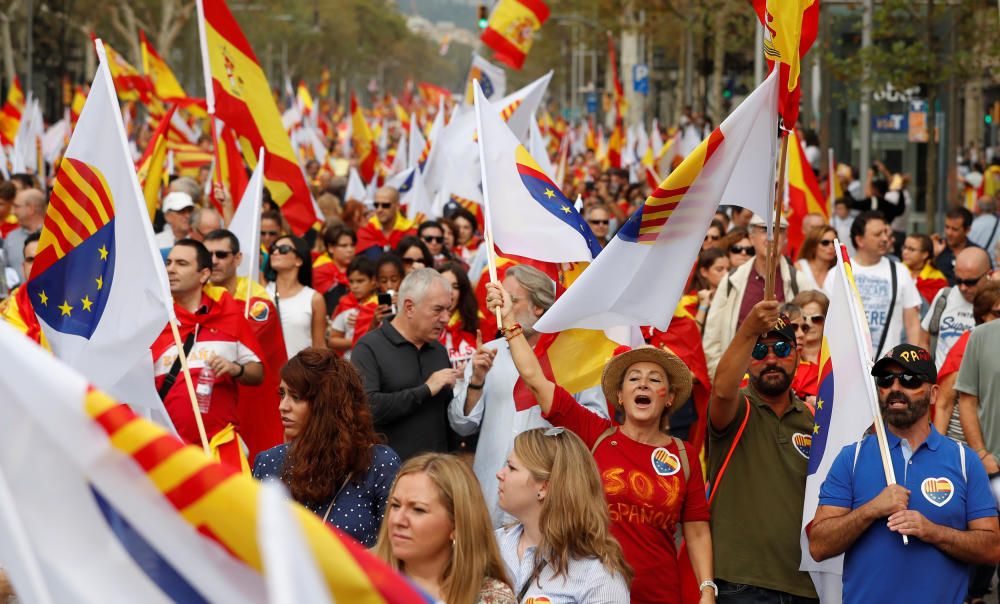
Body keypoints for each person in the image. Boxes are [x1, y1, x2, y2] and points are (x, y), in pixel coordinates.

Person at [486, 281, 715, 603]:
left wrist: (707, 589)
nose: (643, 384)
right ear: (619, 396)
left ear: (669, 398)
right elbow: (537, 381)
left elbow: (696, 530)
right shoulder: (594, 433)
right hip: (587, 590)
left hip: (661, 594)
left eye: (654, 379)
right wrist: (511, 323)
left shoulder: (684, 455)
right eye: (634, 378)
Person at [808, 344, 1000, 603]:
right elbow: (818, 546)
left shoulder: (965, 461)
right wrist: (871, 509)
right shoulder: (851, 458)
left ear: (933, 394)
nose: (895, 388)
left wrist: (932, 531)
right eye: (886, 380)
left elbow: (992, 549)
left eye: (909, 379)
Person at [448, 265, 609, 525]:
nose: (501, 306)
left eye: (511, 299)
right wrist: (476, 381)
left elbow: (595, 425)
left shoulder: (578, 359)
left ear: (540, 308)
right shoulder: (488, 352)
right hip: (488, 497)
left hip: (546, 501)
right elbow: (461, 426)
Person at [707, 301, 818, 602]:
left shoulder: (813, 419)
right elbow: (721, 390)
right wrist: (748, 331)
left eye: (781, 349)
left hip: (806, 586)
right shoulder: (736, 407)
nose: (771, 358)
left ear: (797, 354)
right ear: (747, 360)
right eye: (758, 351)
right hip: (740, 583)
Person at [252, 348, 400, 547]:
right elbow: (255, 542)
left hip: (356, 578)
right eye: (282, 394)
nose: (283, 406)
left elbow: (393, 548)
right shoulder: (269, 462)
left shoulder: (378, 463)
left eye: (296, 397)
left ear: (327, 404)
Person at [152, 239, 264, 464]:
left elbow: (258, 372)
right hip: (166, 449)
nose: (171, 269)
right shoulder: (153, 321)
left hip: (219, 447)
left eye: (181, 263)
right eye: (169, 262)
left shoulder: (228, 314)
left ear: (203, 275)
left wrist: (236, 369)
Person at [495, 428, 632, 602]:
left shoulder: (598, 575)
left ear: (544, 487)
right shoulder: (491, 545)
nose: (500, 474)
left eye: (512, 468)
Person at [374, 453, 515, 603]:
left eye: (418, 510)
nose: (397, 520)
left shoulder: (492, 598)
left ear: (456, 524)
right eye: (395, 505)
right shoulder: (362, 582)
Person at [351, 268, 459, 461]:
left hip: (438, 473)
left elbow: (447, 415)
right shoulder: (369, 348)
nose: (445, 318)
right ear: (409, 307)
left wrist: (476, 383)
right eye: (437, 309)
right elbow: (367, 409)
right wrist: (425, 390)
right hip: (391, 477)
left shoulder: (438, 350)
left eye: (448, 309)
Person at [203, 228, 288, 459]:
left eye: (221, 255)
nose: (213, 261)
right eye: (208, 255)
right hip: (211, 407)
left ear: (237, 258)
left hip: (252, 407)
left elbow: (235, 346)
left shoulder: (257, 302)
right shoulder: (199, 296)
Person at [702, 214, 811, 378]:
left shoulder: (799, 281)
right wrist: (722, 379)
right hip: (738, 382)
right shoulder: (732, 280)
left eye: (778, 231)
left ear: (785, 239)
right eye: (764, 229)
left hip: (784, 380)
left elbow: (811, 335)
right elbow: (712, 337)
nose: (771, 236)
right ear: (751, 237)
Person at [850, 211, 921, 359]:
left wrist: (913, 364)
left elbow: (913, 323)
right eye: (877, 234)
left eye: (885, 233)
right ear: (859, 240)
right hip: (849, 365)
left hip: (889, 369)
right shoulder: (840, 272)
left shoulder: (900, 271)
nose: (884, 239)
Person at [920, 247, 991, 368]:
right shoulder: (944, 297)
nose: (963, 287)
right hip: (939, 383)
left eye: (970, 282)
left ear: (988, 275)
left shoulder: (995, 305)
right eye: (958, 280)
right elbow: (923, 340)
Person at [267, 235, 326, 358]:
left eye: (283, 249)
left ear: (299, 260)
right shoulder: (260, 293)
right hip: (267, 375)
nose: (275, 252)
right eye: (273, 248)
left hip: (299, 375)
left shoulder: (314, 298)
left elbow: (319, 347)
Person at [328, 256, 378, 359]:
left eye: (360, 281)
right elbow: (332, 340)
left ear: (373, 281)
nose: (354, 286)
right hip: (348, 362)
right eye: (351, 281)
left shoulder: (380, 306)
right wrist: (357, 341)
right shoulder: (345, 304)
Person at [788, 290, 829, 402]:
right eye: (804, 319)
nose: (809, 324)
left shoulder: (836, 357)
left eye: (816, 319)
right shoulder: (783, 357)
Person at [438, 261, 480, 368]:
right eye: (444, 285)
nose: (449, 291)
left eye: (455, 286)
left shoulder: (479, 323)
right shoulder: (424, 327)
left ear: (463, 292)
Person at [356, 186, 417, 256]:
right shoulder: (366, 230)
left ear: (397, 206)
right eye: (376, 205)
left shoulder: (410, 231)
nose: (379, 210)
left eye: (385, 205)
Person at [3, 188, 45, 283]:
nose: (13, 212)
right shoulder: (11, 237)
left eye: (17, 206)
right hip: (18, 296)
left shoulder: (55, 236)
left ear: (31, 209)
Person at [933, 206, 979, 286]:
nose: (949, 233)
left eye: (954, 229)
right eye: (947, 227)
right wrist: (932, 254)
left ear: (967, 230)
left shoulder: (977, 254)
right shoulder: (936, 247)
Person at [902, 233, 948, 306]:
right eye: (904, 248)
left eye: (911, 249)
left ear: (925, 254)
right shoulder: (896, 271)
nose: (905, 252)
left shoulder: (938, 279)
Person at [312, 224, 356, 298]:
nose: (350, 250)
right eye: (344, 246)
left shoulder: (363, 269)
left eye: (352, 245)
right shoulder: (319, 273)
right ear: (331, 248)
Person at [692, 248, 729, 330]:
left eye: (728, 269)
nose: (726, 274)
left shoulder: (732, 294)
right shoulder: (690, 299)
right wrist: (703, 306)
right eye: (719, 269)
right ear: (704, 272)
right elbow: (692, 338)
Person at [795, 226, 837, 295]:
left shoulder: (839, 271)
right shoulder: (800, 267)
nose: (831, 246)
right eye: (825, 243)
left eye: (834, 243)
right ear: (813, 245)